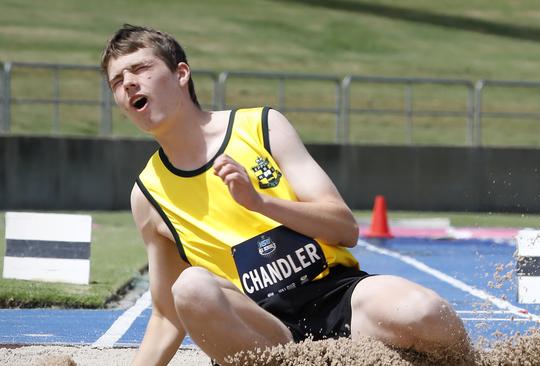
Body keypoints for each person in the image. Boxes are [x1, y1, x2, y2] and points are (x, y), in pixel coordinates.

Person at [101, 24, 468, 366]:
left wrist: (261, 203)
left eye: (140, 68)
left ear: (181, 74)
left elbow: (345, 229)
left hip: (336, 297)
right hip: (261, 331)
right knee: (192, 287)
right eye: (117, 80)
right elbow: (167, 314)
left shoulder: (262, 126)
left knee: (425, 312)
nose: (129, 83)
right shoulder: (148, 194)